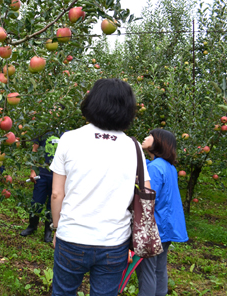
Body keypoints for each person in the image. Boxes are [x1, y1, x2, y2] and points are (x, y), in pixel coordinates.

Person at [49, 78, 151, 296]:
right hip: (113, 241)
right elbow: (147, 192)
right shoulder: (133, 147)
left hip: (72, 236)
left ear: (92, 102)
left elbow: (57, 193)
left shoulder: (69, 139)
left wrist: (57, 228)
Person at [136, 129, 188, 296]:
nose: (145, 137)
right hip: (166, 226)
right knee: (159, 268)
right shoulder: (169, 167)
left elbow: (149, 198)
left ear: (158, 141)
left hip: (154, 226)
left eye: (149, 135)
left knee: (147, 270)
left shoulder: (155, 168)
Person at [20, 132, 61, 243]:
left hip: (57, 175)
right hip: (41, 174)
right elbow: (35, 150)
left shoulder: (65, 132)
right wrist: (33, 170)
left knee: (52, 203)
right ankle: (32, 226)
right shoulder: (44, 130)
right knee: (37, 201)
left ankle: (48, 230)